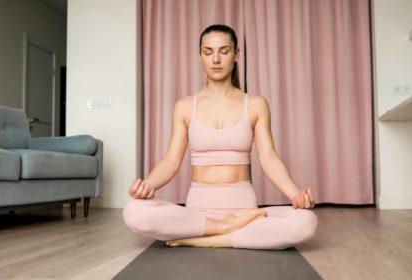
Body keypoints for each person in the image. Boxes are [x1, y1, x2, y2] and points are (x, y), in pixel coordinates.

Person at [123, 24, 318, 250]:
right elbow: (171, 160)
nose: (216, 59)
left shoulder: (255, 104)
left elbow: (269, 157)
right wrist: (147, 185)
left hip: (244, 210)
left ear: (236, 55)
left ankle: (205, 240)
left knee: (306, 222)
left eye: (224, 51)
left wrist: (296, 195)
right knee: (133, 210)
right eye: (208, 52)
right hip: (198, 214)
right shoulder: (185, 106)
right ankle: (223, 228)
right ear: (200, 57)